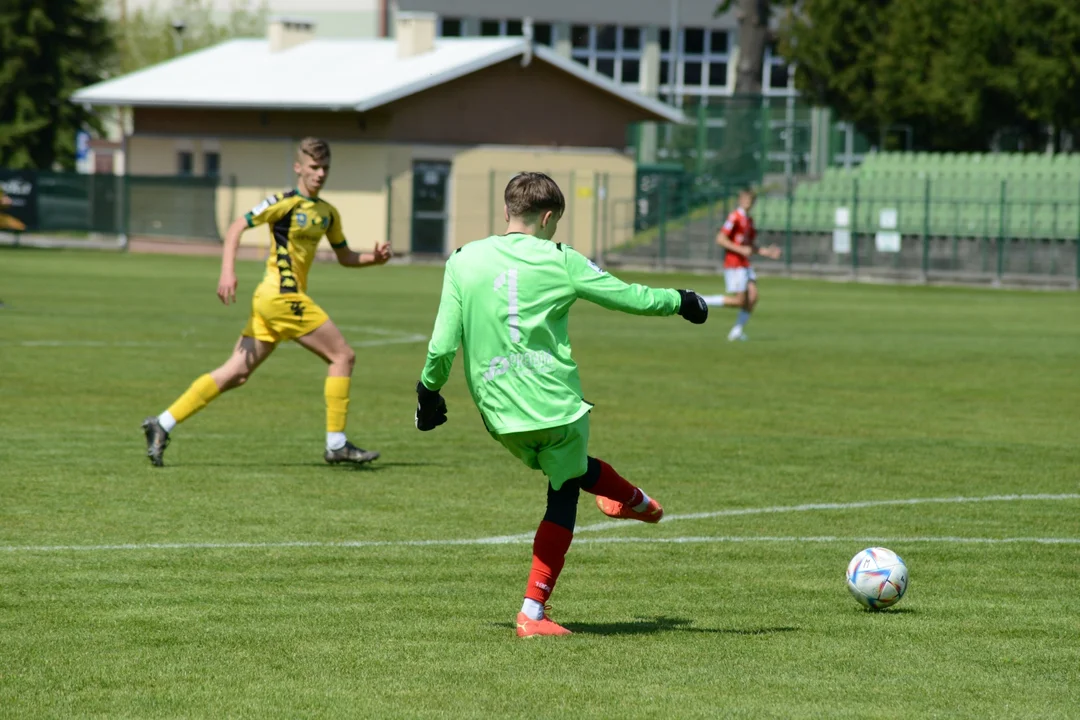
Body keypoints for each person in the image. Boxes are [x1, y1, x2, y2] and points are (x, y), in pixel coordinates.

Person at [413, 172, 709, 638]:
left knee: (567, 470)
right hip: (554, 404)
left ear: (507, 211)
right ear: (549, 217)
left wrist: (428, 393)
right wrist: (681, 300)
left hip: (498, 413)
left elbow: (443, 343)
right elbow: (625, 295)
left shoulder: (463, 259)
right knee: (566, 487)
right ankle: (534, 612)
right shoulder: (560, 258)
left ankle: (634, 501)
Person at [141, 137, 392, 467]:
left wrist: (373, 258)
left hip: (275, 302)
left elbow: (345, 255)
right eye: (314, 167)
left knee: (236, 373)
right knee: (342, 355)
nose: (320, 174)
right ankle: (337, 443)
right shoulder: (283, 203)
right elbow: (236, 227)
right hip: (281, 297)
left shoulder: (328, 213)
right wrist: (227, 272)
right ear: (298, 167)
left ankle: (162, 423)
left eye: (325, 168)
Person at [702, 189, 781, 341]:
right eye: (745, 199)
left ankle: (737, 331)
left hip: (744, 264)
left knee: (753, 296)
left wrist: (767, 252)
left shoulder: (749, 221)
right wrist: (740, 249)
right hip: (734, 264)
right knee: (739, 301)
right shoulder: (734, 217)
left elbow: (750, 246)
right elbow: (720, 239)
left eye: (750, 200)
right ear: (740, 200)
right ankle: (702, 300)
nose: (748, 203)